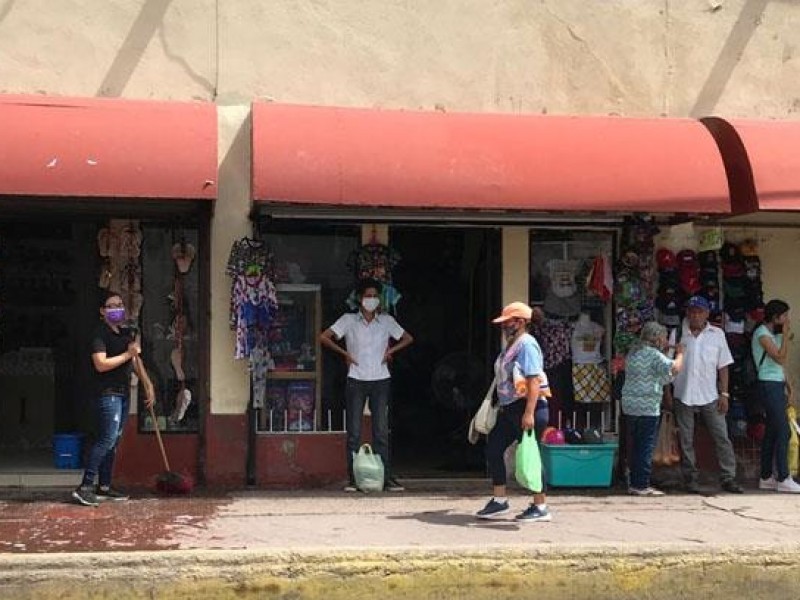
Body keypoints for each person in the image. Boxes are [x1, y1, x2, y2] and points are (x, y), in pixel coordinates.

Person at [320, 278, 414, 492]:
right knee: (354, 432)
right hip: (356, 378)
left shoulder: (387, 321)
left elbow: (408, 338)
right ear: (359, 299)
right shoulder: (348, 320)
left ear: (379, 299)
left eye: (374, 296)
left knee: (381, 431)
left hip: (381, 378)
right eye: (367, 296)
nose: (371, 300)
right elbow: (324, 337)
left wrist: (391, 351)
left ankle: (385, 478)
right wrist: (345, 354)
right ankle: (354, 479)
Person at [72, 292, 155, 507]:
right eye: (111, 306)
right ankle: (85, 486)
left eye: (119, 304)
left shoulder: (125, 334)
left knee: (114, 441)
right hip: (107, 393)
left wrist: (148, 384)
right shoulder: (99, 334)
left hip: (123, 392)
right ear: (102, 311)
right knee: (106, 439)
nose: (117, 308)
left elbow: (136, 362)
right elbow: (101, 364)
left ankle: (104, 486)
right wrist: (128, 354)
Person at [476, 301, 551, 522]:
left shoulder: (527, 345)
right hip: (510, 408)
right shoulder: (511, 344)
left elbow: (533, 380)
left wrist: (529, 413)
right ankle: (499, 500)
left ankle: (540, 505)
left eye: (507, 322)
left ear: (520, 322)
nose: (504, 326)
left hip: (527, 408)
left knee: (531, 456)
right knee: (494, 448)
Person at [671, 295, 743, 494]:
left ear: (707, 314)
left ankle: (728, 477)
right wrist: (667, 393)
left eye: (700, 312)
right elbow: (668, 364)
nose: (695, 315)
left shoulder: (717, 334)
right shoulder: (678, 334)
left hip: (710, 394)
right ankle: (690, 478)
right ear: (687, 313)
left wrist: (725, 393)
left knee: (721, 436)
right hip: (683, 393)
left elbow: (723, 366)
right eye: (692, 311)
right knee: (686, 439)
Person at [621, 322, 684, 496]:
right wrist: (680, 354)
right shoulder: (654, 355)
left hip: (630, 406)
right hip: (647, 406)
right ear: (657, 338)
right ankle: (641, 484)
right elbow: (674, 368)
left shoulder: (633, 352)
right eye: (663, 338)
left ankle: (633, 481)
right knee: (645, 446)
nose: (665, 341)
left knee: (635, 445)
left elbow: (663, 378)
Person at [752, 299, 800, 493]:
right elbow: (780, 357)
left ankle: (766, 476)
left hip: (777, 383)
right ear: (775, 317)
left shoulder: (775, 334)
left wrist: (788, 384)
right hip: (767, 384)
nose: (787, 319)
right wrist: (786, 335)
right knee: (784, 431)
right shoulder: (762, 334)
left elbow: (780, 366)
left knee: (772, 432)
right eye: (784, 316)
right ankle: (783, 477)